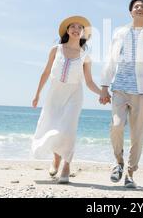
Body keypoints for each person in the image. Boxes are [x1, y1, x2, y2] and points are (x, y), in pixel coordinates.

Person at [99, 0, 143, 188]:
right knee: (116, 125)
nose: (139, 8)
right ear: (131, 11)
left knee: (137, 134)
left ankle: (130, 173)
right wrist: (104, 86)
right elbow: (110, 59)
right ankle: (118, 163)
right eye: (136, 6)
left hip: (141, 90)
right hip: (119, 87)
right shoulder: (120, 33)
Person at [31, 16, 102, 184]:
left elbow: (90, 81)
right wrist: (37, 94)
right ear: (67, 30)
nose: (76, 29)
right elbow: (46, 72)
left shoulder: (86, 56)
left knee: (68, 129)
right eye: (73, 26)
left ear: (83, 33)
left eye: (80, 27)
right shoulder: (56, 49)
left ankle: (66, 166)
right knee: (54, 127)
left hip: (74, 95)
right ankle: (56, 159)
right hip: (55, 94)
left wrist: (102, 93)